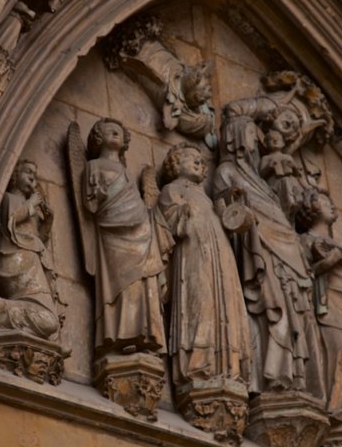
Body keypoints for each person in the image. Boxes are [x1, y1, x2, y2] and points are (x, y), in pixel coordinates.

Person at [212, 115, 323, 396]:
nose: (257, 140)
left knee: (296, 315)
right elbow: (224, 209)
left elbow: (281, 213)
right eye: (251, 133)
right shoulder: (227, 171)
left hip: (286, 254)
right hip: (260, 252)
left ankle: (295, 378)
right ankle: (273, 376)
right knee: (275, 313)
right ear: (235, 138)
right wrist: (235, 200)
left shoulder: (259, 178)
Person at [158, 143, 250, 387]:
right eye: (191, 158)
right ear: (176, 164)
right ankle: (198, 364)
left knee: (225, 304)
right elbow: (165, 221)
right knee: (200, 302)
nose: (198, 163)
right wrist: (183, 213)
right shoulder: (171, 190)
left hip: (220, 256)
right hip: (193, 254)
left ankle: (226, 366)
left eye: (201, 160)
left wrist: (233, 203)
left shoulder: (206, 198)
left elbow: (229, 223)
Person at [82, 118, 172, 355]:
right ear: (98, 137)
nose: (116, 134)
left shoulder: (125, 171)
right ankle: (123, 334)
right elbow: (89, 206)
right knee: (123, 283)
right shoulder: (93, 166)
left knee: (142, 281)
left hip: (140, 227)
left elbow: (134, 199)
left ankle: (142, 331)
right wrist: (98, 194)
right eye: (109, 131)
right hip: (112, 230)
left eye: (120, 132)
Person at [296, 188, 342, 424]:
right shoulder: (306, 239)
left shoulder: (336, 244)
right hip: (329, 305)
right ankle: (335, 404)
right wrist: (328, 262)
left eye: (330, 200)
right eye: (323, 201)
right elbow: (303, 273)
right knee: (339, 349)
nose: (331, 205)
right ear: (311, 208)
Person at [0, 159, 61, 342]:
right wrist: (31, 204)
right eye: (27, 172)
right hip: (15, 256)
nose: (32, 177)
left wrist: (48, 221)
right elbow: (10, 222)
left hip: (31, 256)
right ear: (14, 175)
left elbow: (39, 237)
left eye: (35, 175)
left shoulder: (30, 207)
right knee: (49, 320)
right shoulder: (9, 198)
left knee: (50, 320)